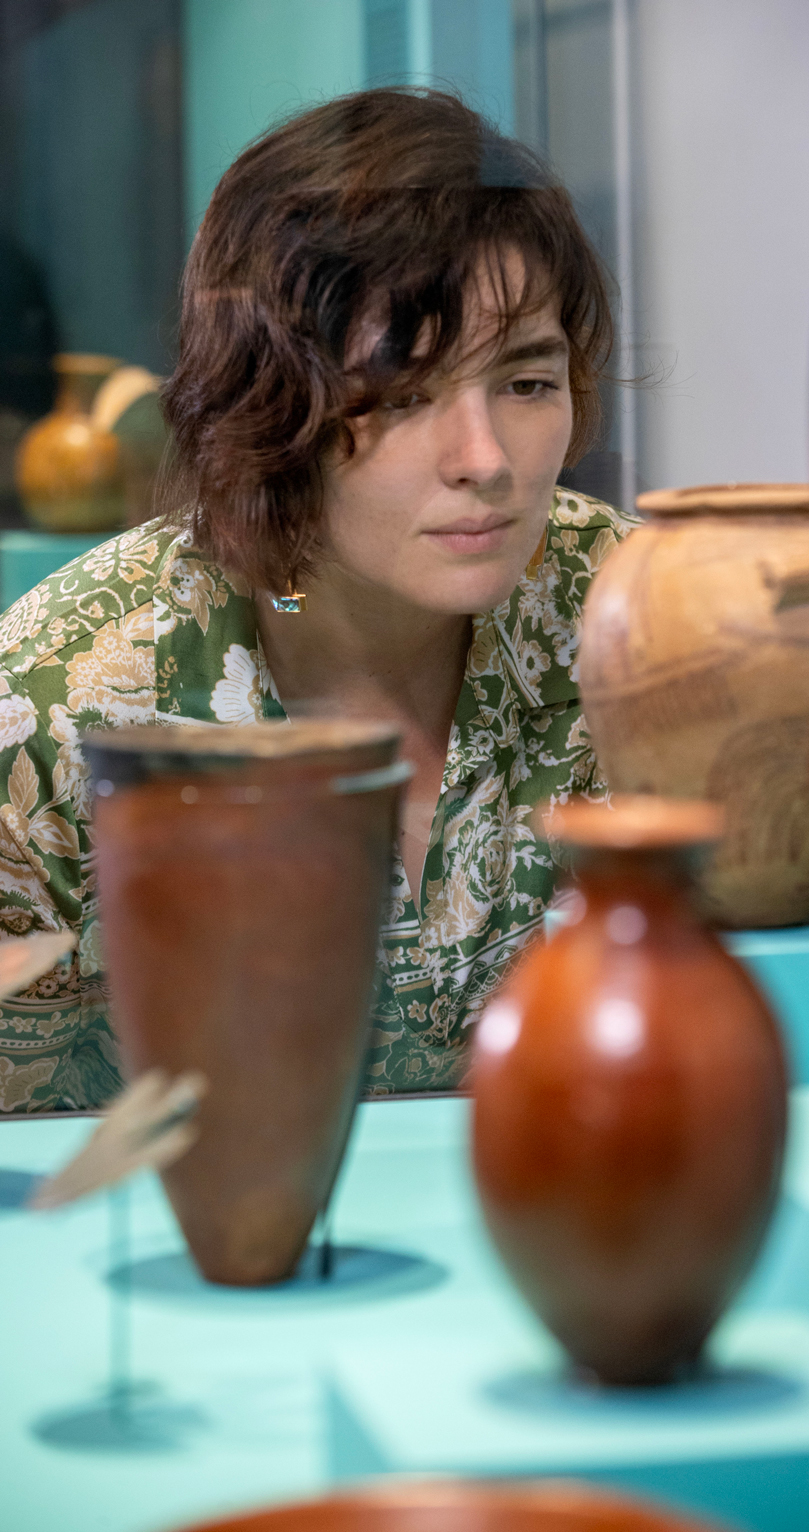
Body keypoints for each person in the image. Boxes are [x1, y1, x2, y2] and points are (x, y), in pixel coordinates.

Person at [0, 88, 639, 1113]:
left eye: (525, 384)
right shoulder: (59, 701)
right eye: (399, 396)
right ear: (267, 402)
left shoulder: (645, 630)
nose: (485, 463)